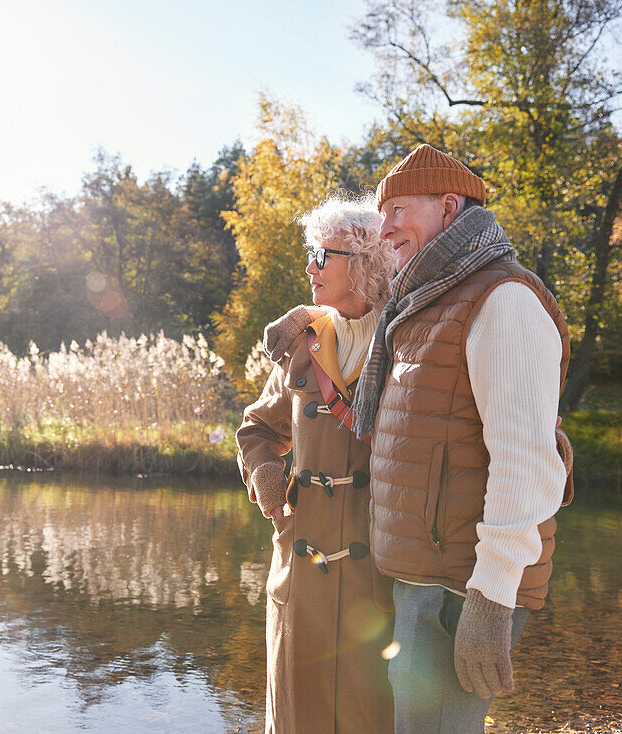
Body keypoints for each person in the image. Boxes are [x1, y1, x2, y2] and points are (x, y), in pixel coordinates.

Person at [348, 144, 575, 733]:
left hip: (465, 587)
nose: (385, 227)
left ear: (449, 207)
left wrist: (492, 597)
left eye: (398, 209)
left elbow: (527, 463)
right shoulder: (424, 302)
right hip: (428, 576)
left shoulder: (503, 298)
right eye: (381, 213)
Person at [236, 193, 396, 734]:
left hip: (375, 583)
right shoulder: (305, 344)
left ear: (366, 261)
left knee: (370, 718)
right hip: (299, 575)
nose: (310, 267)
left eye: (323, 256)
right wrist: (264, 471)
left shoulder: (407, 340)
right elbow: (258, 427)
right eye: (312, 254)